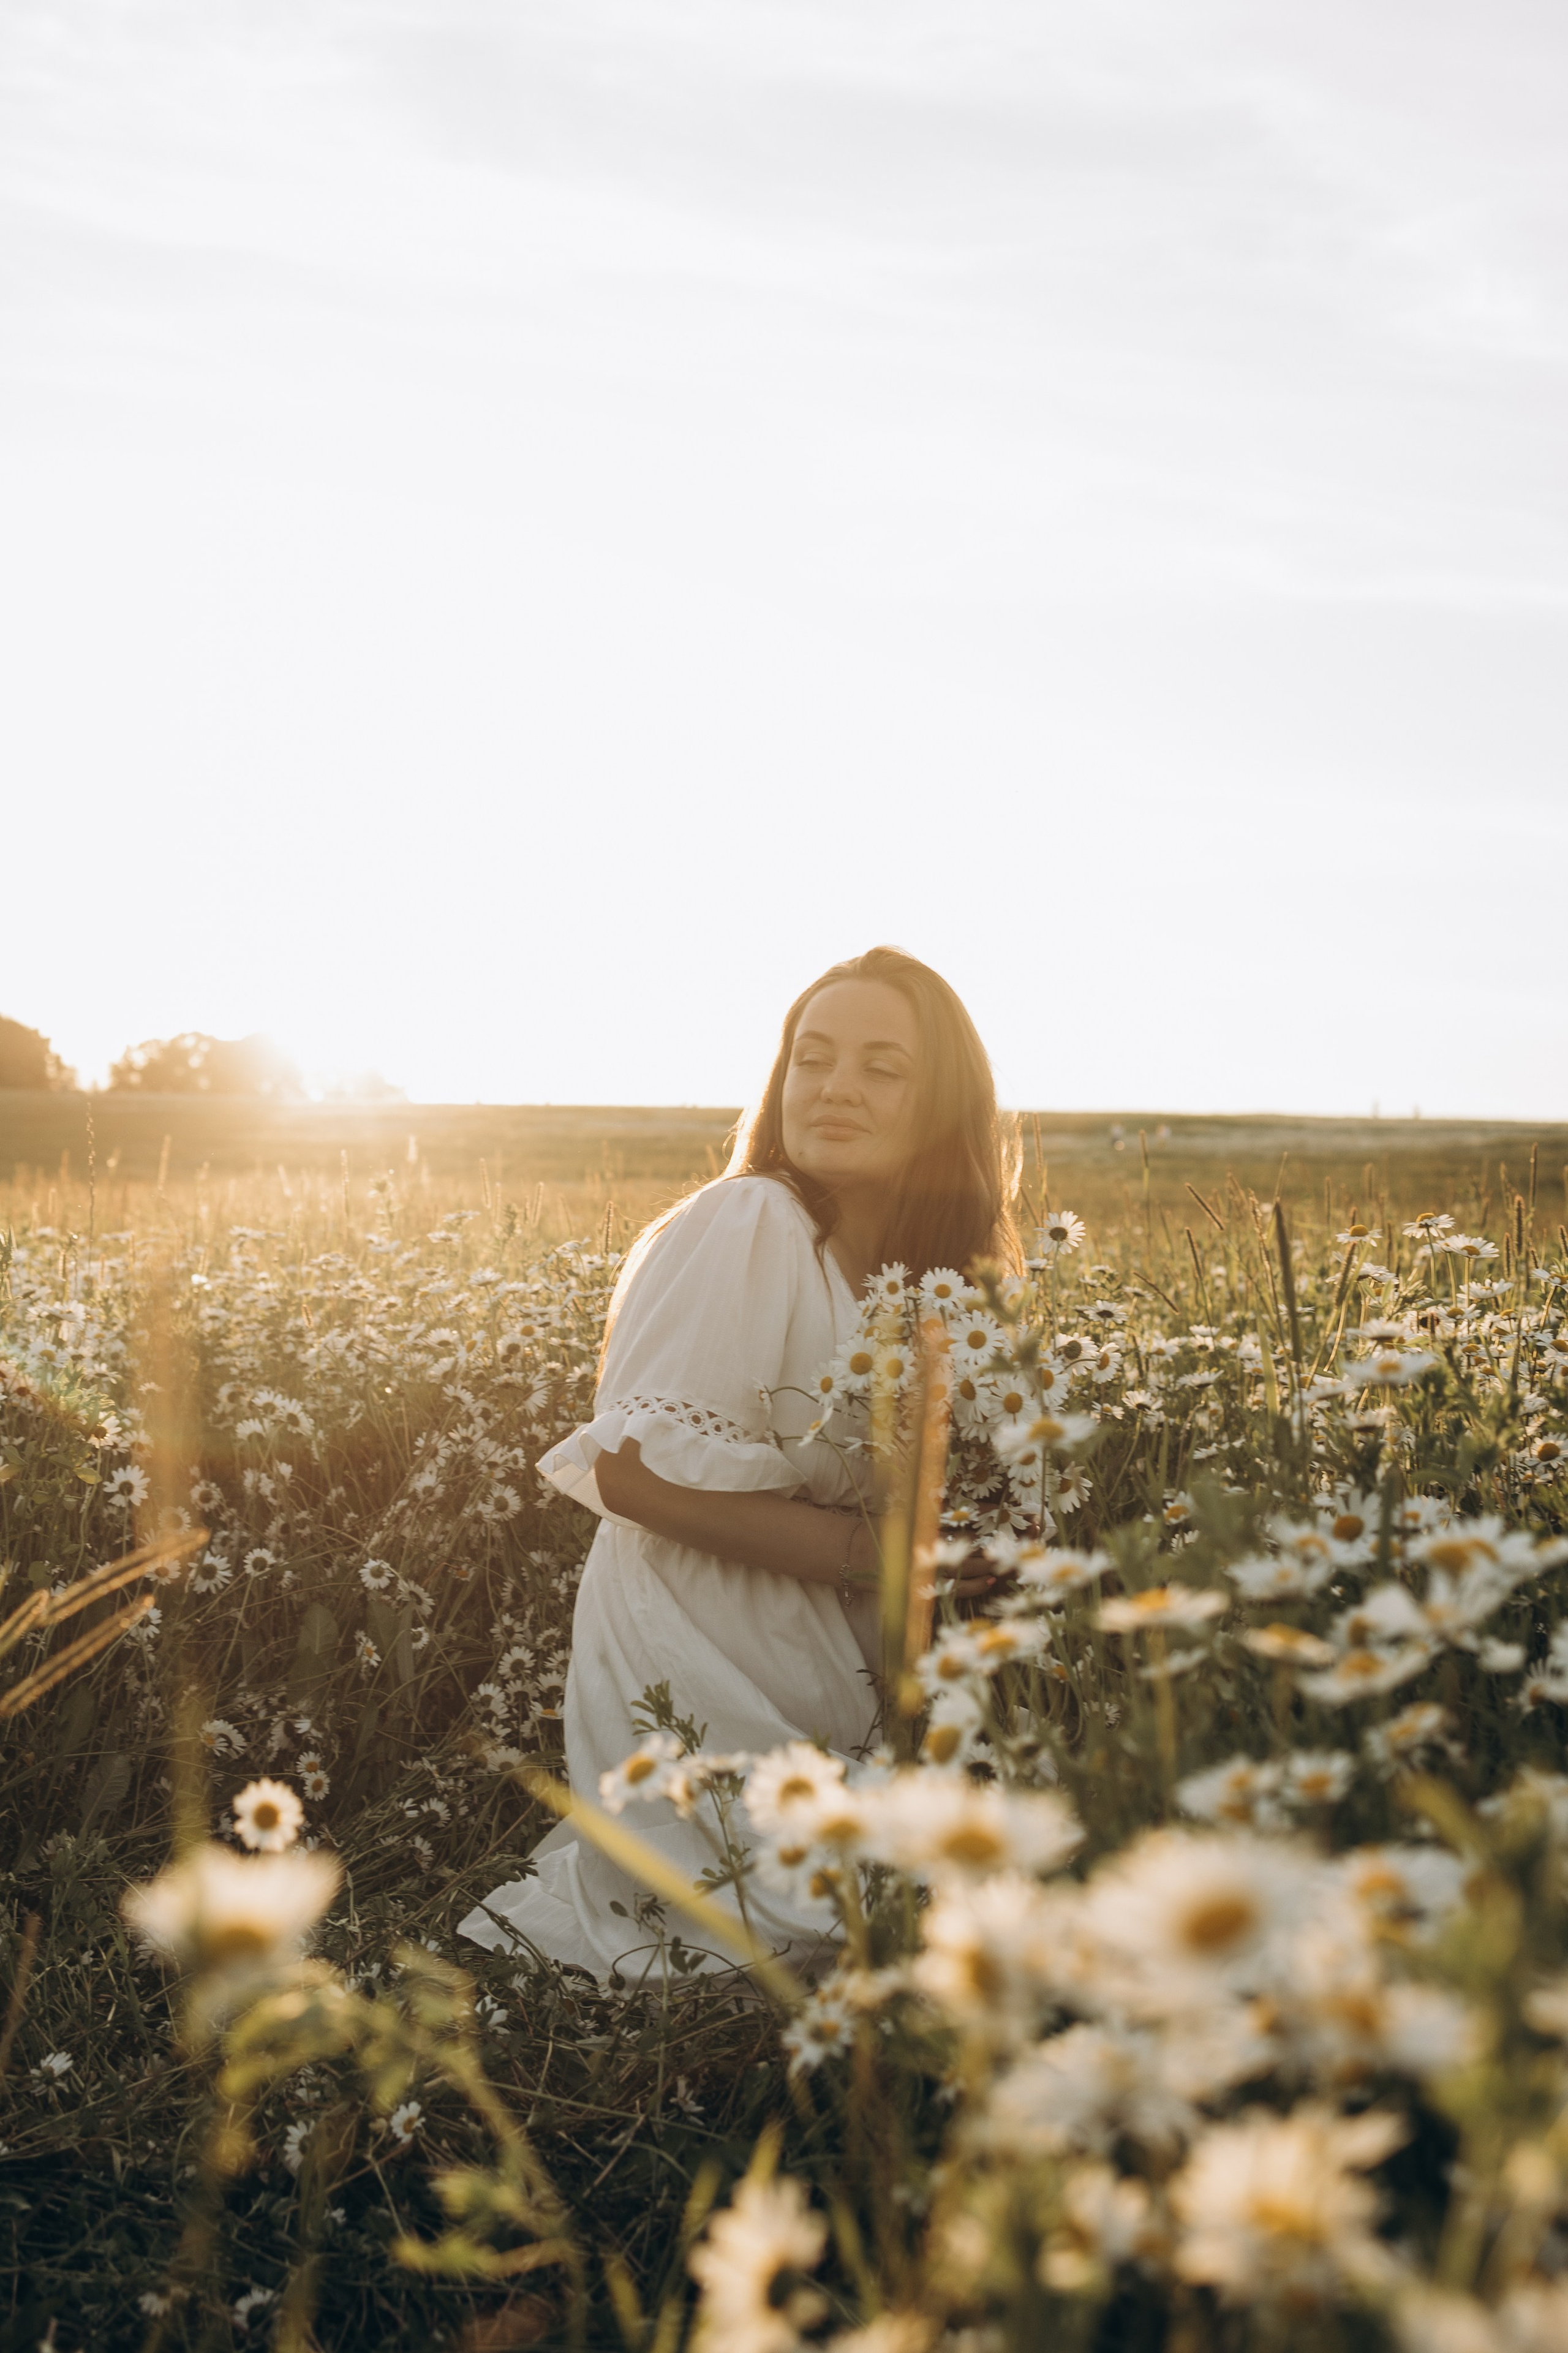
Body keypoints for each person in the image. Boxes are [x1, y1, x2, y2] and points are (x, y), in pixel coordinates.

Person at [458, 946, 1020, 1979]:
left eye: (882, 1067)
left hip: (828, 1650)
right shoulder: (750, 1217)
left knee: (910, 1910)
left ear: (943, 1104)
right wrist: (881, 1556)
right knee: (772, 1938)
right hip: (697, 1633)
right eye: (813, 1057)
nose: (836, 1086)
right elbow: (630, 1475)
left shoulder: (927, 1287)